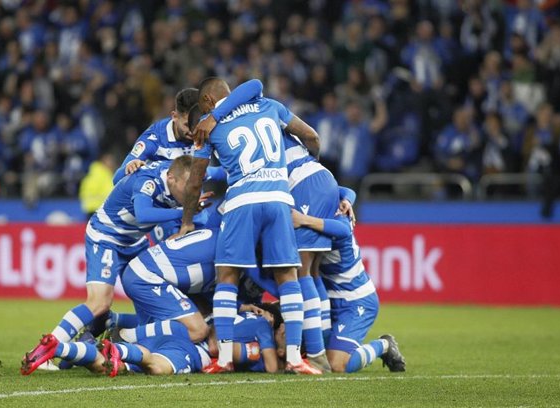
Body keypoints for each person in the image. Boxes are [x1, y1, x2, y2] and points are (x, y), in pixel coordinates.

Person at [176, 77, 321, 374]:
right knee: (288, 276)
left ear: (206, 102)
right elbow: (312, 137)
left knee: (227, 276)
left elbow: (195, 182)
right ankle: (295, 358)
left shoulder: (206, 124)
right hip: (279, 199)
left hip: (243, 201)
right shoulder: (270, 105)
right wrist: (310, 168)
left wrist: (187, 220)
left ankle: (225, 358)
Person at [21, 156, 207, 375]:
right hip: (107, 236)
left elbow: (217, 171)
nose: (191, 194)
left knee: (150, 306)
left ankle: (104, 335)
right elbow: (143, 213)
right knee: (99, 302)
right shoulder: (147, 182)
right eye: (188, 188)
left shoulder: (181, 177)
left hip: (135, 240)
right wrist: (186, 212)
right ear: (171, 179)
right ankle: (45, 350)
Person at [291, 208, 406, 374]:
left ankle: (384, 345)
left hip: (356, 301)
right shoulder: (332, 205)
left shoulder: (338, 221)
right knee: (311, 352)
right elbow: (345, 191)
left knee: (337, 365)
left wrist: (303, 219)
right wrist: (347, 198)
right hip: (327, 299)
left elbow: (344, 230)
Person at [112, 88, 199, 184]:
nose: (193, 131)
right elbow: (117, 179)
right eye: (187, 125)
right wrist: (129, 168)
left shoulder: (206, 130)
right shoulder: (153, 139)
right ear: (175, 117)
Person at [79, 151, 117, 220]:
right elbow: (109, 192)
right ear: (103, 161)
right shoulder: (100, 175)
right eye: (110, 160)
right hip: (97, 209)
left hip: (96, 209)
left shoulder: (102, 174)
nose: (112, 163)